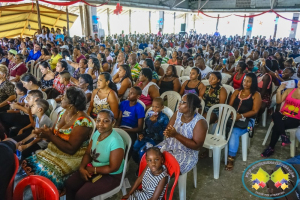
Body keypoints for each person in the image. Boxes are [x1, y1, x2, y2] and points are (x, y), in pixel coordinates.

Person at [22, 87, 93, 191]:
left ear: (71, 104)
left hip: (73, 156)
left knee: (49, 174)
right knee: (28, 163)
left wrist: (49, 136)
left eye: (65, 97)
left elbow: (71, 149)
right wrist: (42, 132)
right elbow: (53, 132)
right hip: (55, 149)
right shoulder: (63, 113)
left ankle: (50, 194)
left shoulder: (83, 122)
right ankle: (39, 193)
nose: (61, 97)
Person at [65, 109, 124, 200]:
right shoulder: (97, 133)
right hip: (93, 167)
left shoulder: (116, 141)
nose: (100, 124)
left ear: (113, 122)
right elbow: (88, 153)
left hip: (111, 175)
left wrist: (92, 169)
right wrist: (82, 168)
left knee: (81, 195)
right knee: (69, 183)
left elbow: (113, 168)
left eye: (106, 121)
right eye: (98, 120)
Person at [158, 93, 207, 174]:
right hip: (169, 145)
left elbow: (197, 146)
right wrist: (168, 132)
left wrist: (176, 135)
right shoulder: (177, 113)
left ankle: (160, 185)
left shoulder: (200, 122)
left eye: (183, 102)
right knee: (150, 157)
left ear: (191, 105)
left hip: (187, 153)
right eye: (180, 101)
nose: (179, 104)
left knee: (162, 171)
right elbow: (168, 129)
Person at [226, 73, 261, 170]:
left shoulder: (256, 95)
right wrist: (232, 114)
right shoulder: (237, 92)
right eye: (245, 80)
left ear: (253, 83)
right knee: (219, 126)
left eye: (249, 81)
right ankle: (213, 149)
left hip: (249, 121)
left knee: (234, 132)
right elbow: (230, 106)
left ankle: (231, 158)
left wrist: (241, 115)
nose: (245, 83)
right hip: (234, 118)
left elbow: (255, 111)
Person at [261, 81, 300, 157]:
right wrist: (279, 90)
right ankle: (283, 136)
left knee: (277, 125)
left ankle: (271, 147)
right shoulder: (290, 90)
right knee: (276, 115)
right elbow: (279, 101)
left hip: (295, 119)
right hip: (282, 115)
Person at [133, 97, 169, 163]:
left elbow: (163, 132)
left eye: (157, 107)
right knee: (135, 146)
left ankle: (142, 167)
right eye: (153, 106)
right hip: (146, 137)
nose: (154, 109)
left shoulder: (164, 118)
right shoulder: (150, 114)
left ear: (162, 107)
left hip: (156, 140)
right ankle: (138, 163)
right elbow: (146, 127)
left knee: (142, 151)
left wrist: (155, 123)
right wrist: (142, 134)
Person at [116, 87, 145, 155]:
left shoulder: (139, 108)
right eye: (129, 92)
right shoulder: (123, 103)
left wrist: (124, 130)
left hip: (131, 130)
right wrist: (117, 127)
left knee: (127, 146)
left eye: (132, 93)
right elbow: (119, 118)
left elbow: (139, 128)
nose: (129, 94)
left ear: (138, 96)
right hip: (121, 127)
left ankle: (125, 160)